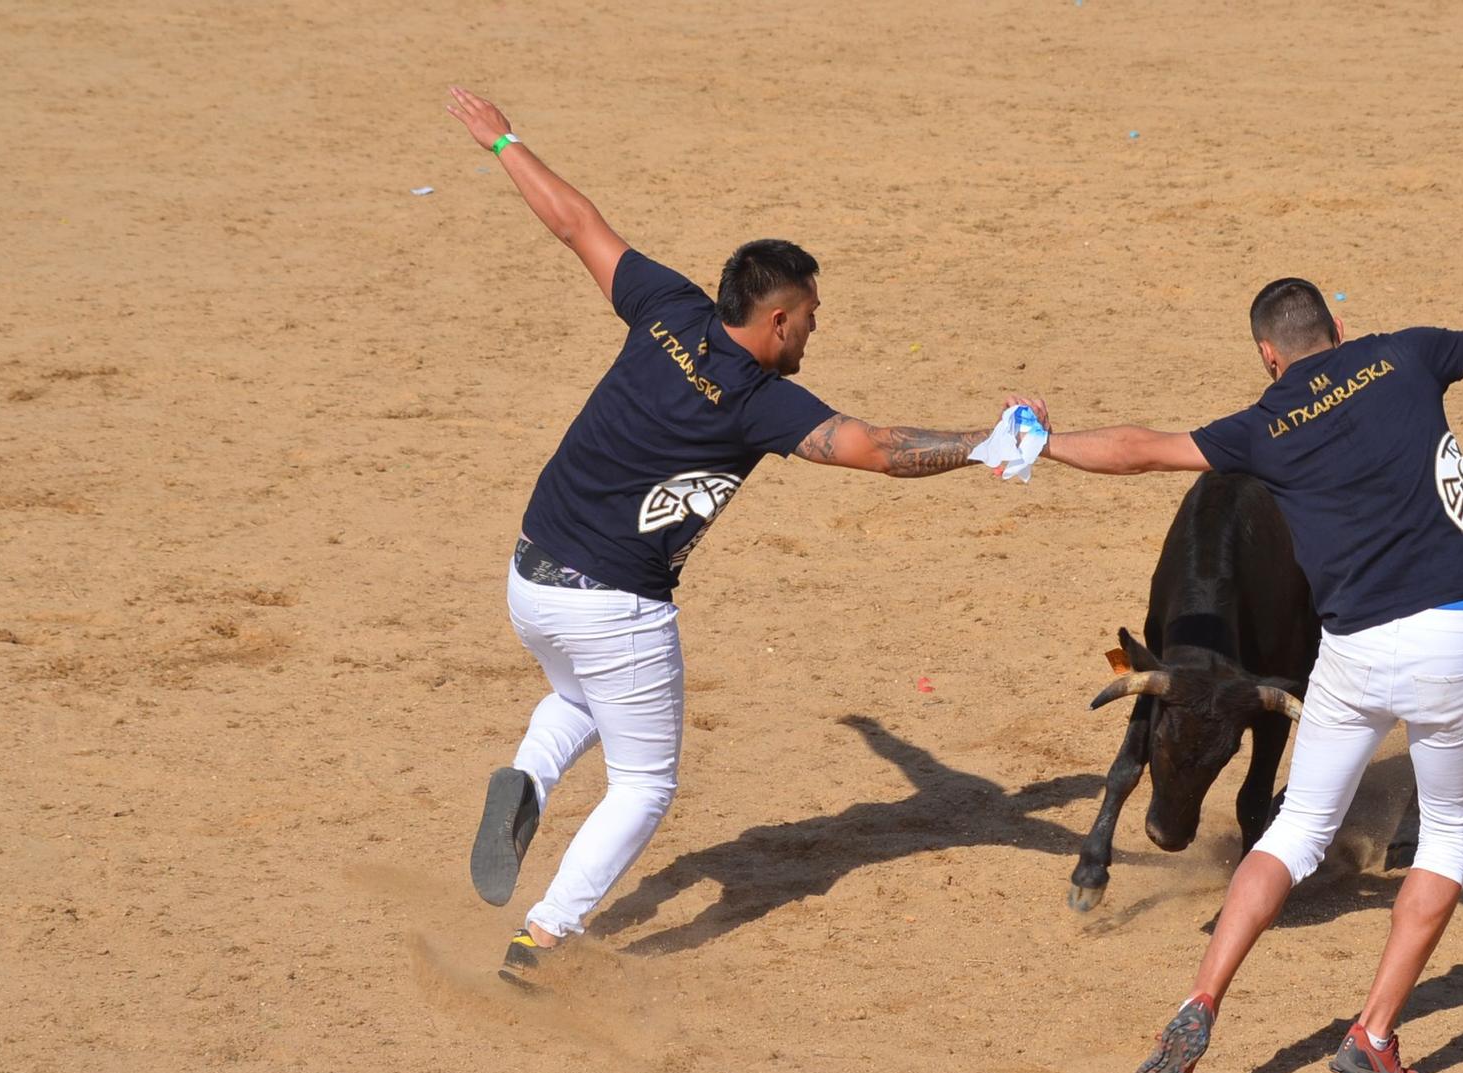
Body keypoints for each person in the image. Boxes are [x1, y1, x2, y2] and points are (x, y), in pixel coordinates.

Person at [442, 87, 1033, 984]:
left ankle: (527, 777)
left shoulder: (665, 306)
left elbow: (575, 224)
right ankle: (545, 935)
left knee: (580, 699)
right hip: (616, 605)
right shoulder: (760, 401)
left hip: (532, 577)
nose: (814, 330)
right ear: (776, 319)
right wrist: (986, 444)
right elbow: (875, 450)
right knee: (645, 784)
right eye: (811, 317)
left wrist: (504, 143)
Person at [1037, 277, 1463, 1073]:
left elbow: (1138, 447)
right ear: (1338, 329)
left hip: (1349, 650)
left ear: (1268, 357)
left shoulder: (1265, 425)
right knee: (1449, 836)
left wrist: (1047, 442)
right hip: (1449, 640)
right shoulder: (1405, 353)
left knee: (1295, 830)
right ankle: (1373, 1037)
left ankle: (1200, 999)